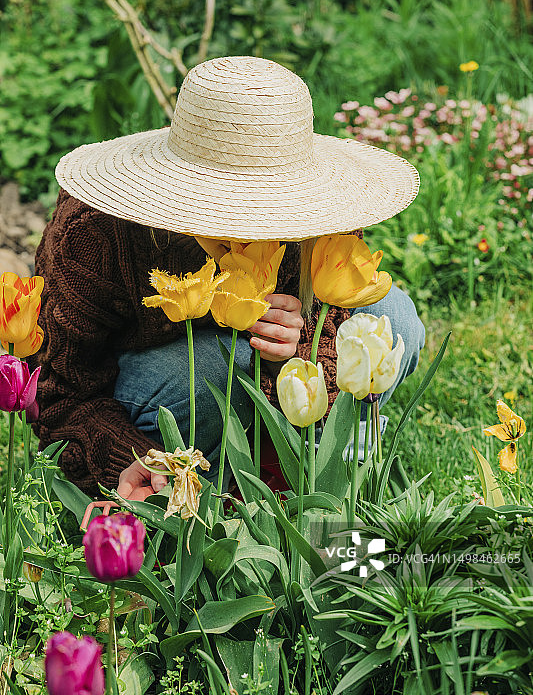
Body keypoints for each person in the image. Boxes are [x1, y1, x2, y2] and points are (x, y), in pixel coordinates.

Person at [30, 56, 425, 502]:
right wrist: (139, 459)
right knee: (221, 365)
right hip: (163, 384)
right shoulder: (96, 228)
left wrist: (293, 355)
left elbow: (333, 330)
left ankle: (321, 481)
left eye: (270, 199)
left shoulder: (319, 218)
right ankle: (202, 497)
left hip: (262, 376)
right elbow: (59, 392)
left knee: (394, 321)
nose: (252, 222)